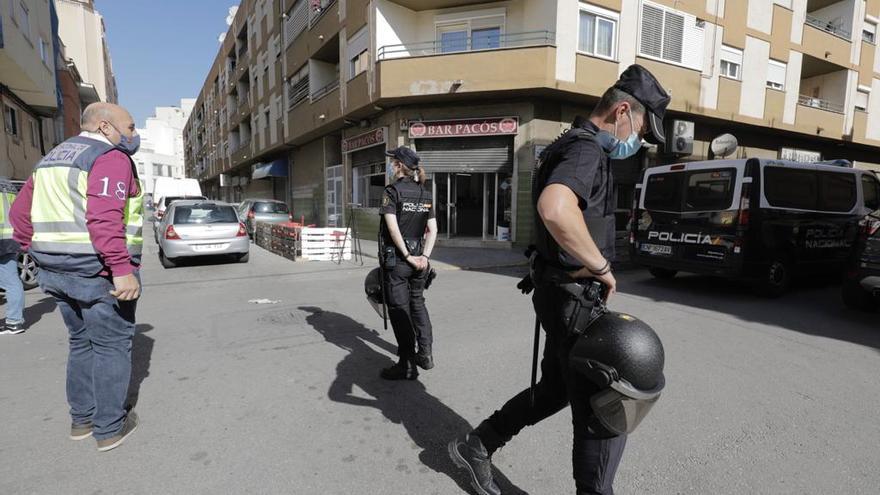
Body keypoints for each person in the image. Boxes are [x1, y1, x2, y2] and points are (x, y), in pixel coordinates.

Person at [448, 65, 670, 495]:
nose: (640, 141)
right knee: (601, 413)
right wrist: (602, 267)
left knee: (555, 389)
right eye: (642, 129)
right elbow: (555, 208)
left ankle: (479, 443)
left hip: (559, 294)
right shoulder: (586, 151)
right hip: (573, 300)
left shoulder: (566, 143)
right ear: (622, 110)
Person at [10, 102, 145, 452]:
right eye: (129, 128)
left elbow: (19, 216)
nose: (133, 135)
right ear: (104, 127)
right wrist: (121, 270)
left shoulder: (50, 159)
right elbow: (104, 219)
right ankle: (110, 428)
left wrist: (41, 254)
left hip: (55, 272)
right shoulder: (110, 158)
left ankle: (81, 421)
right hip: (97, 273)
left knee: (80, 343)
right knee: (111, 346)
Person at [377, 146, 438, 380]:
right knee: (418, 305)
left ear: (398, 166)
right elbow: (433, 230)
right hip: (421, 261)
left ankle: (407, 365)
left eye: (392, 162)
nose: (391, 165)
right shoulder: (425, 193)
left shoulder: (392, 191)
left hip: (399, 261)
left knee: (400, 311)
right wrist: (425, 257)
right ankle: (425, 354)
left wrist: (407, 256)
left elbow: (392, 228)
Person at [0, 177, 26, 335]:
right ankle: (14, 322)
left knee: (10, 281)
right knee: (12, 281)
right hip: (11, 238)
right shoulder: (8, 184)